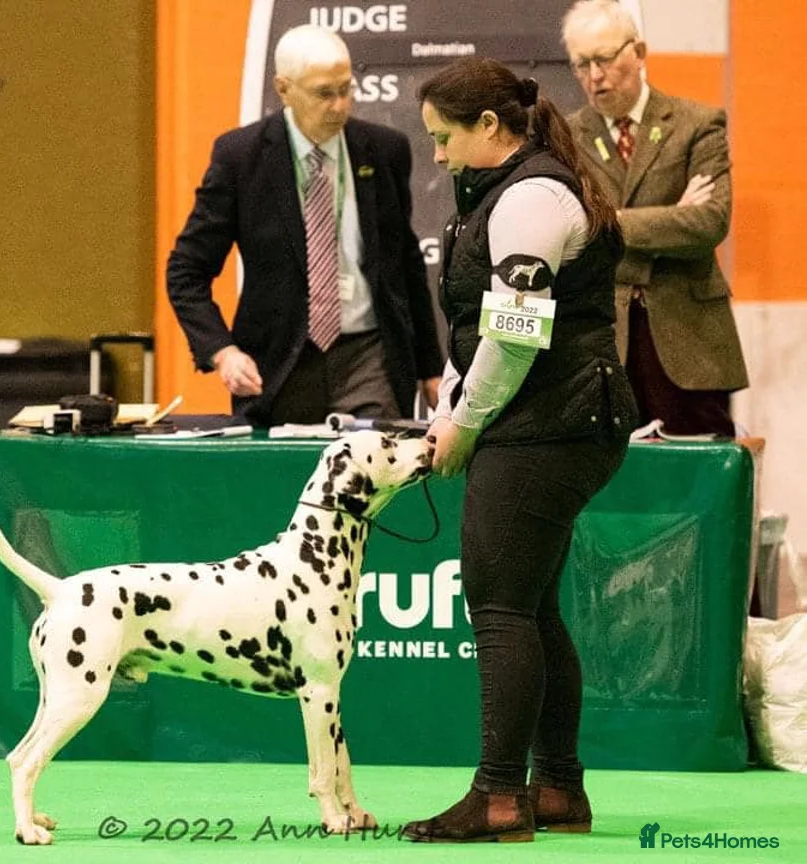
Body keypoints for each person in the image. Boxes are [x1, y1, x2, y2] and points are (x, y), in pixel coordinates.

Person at [400, 57, 638, 843]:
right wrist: (452, 407)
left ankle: (499, 797)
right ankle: (558, 789)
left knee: (500, 606)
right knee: (530, 607)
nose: (437, 156)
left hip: (549, 425)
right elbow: (478, 328)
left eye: (444, 139)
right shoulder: (506, 193)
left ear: (489, 127)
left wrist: (466, 423)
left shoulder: (531, 200)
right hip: (552, 420)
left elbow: (516, 333)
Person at [166, 24, 443, 427]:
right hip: (279, 363)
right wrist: (223, 352)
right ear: (283, 89)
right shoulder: (241, 157)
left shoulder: (384, 150)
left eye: (346, 89)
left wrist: (430, 368)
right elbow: (186, 270)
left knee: (374, 460)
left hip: (368, 358)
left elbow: (405, 263)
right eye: (323, 93)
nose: (339, 105)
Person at [561, 0, 748, 437]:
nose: (594, 76)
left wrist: (610, 222)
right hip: (603, 343)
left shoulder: (697, 123)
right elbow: (573, 233)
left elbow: (709, 223)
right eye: (582, 64)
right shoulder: (566, 138)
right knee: (615, 473)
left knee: (699, 468)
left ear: (639, 52)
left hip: (690, 341)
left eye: (604, 59)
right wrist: (672, 218)